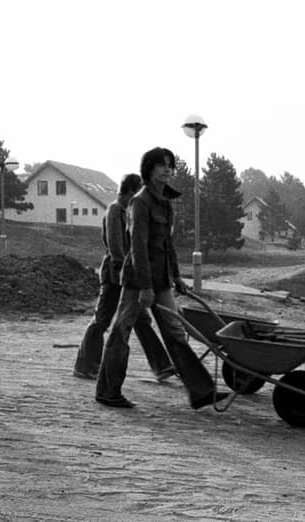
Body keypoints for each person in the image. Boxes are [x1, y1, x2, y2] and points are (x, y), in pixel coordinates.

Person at [95, 147, 229, 409]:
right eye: (161, 165)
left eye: (170, 165)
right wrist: (145, 287)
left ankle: (201, 391)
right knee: (120, 332)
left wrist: (176, 276)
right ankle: (107, 391)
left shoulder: (165, 202)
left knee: (175, 332)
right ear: (149, 169)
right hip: (138, 280)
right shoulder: (140, 202)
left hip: (162, 280)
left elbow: (168, 245)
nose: (167, 170)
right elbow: (138, 247)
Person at [73, 173, 176, 382]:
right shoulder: (115, 211)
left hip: (129, 277)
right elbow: (115, 247)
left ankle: (162, 366)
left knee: (142, 321)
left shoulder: (128, 211)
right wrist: (127, 270)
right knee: (102, 320)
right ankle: (85, 365)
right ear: (129, 191)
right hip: (114, 277)